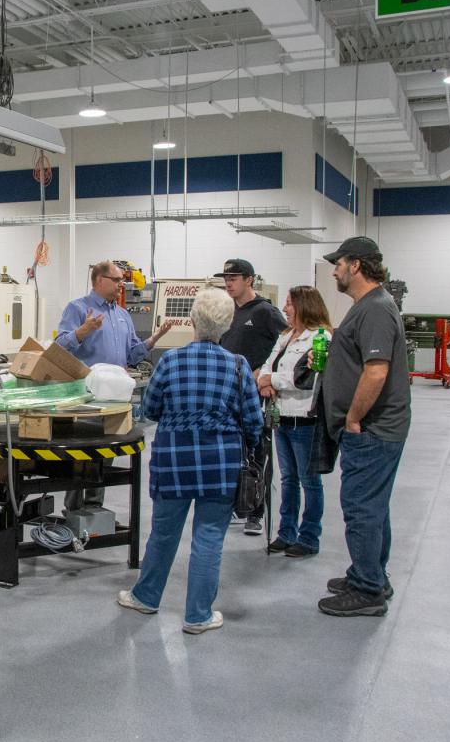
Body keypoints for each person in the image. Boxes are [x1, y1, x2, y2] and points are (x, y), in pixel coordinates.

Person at [116, 288, 263, 634]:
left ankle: (146, 597)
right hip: (220, 464)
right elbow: (253, 421)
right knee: (209, 538)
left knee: (163, 533)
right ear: (227, 326)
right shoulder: (238, 366)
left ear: (194, 321)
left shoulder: (170, 361)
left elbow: (150, 409)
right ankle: (198, 616)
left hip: (173, 462)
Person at [315, 237, 411, 617]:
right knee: (374, 507)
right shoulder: (369, 306)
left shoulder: (375, 309)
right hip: (372, 429)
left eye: (338, 263)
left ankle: (367, 590)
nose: (334, 271)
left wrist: (353, 418)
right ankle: (370, 575)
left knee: (361, 508)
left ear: (356, 265)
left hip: (371, 429)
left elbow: (376, 372)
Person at [56, 261, 172, 510]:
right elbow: (59, 348)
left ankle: (94, 509)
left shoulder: (122, 315)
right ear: (99, 280)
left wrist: (153, 340)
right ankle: (73, 511)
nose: (122, 285)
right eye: (117, 280)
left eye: (122, 281)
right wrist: (83, 331)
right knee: (82, 456)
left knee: (104, 456)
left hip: (115, 400)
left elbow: (131, 355)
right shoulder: (77, 308)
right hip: (87, 399)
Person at [256, 286, 332, 558]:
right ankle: (286, 533)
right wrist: (265, 381)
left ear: (304, 306)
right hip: (282, 417)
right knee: (288, 479)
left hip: (305, 420)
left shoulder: (320, 338)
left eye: (289, 303)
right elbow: (267, 365)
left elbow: (306, 379)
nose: (285, 308)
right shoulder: (286, 336)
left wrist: (271, 380)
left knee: (309, 482)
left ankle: (309, 538)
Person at [215, 258, 287, 535]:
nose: (228, 283)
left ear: (249, 280)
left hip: (254, 395)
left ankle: (255, 512)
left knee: (257, 452)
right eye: (226, 278)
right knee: (231, 451)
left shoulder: (265, 312)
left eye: (233, 278)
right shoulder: (227, 310)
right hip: (227, 395)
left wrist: (265, 370)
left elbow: (286, 345)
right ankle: (236, 504)